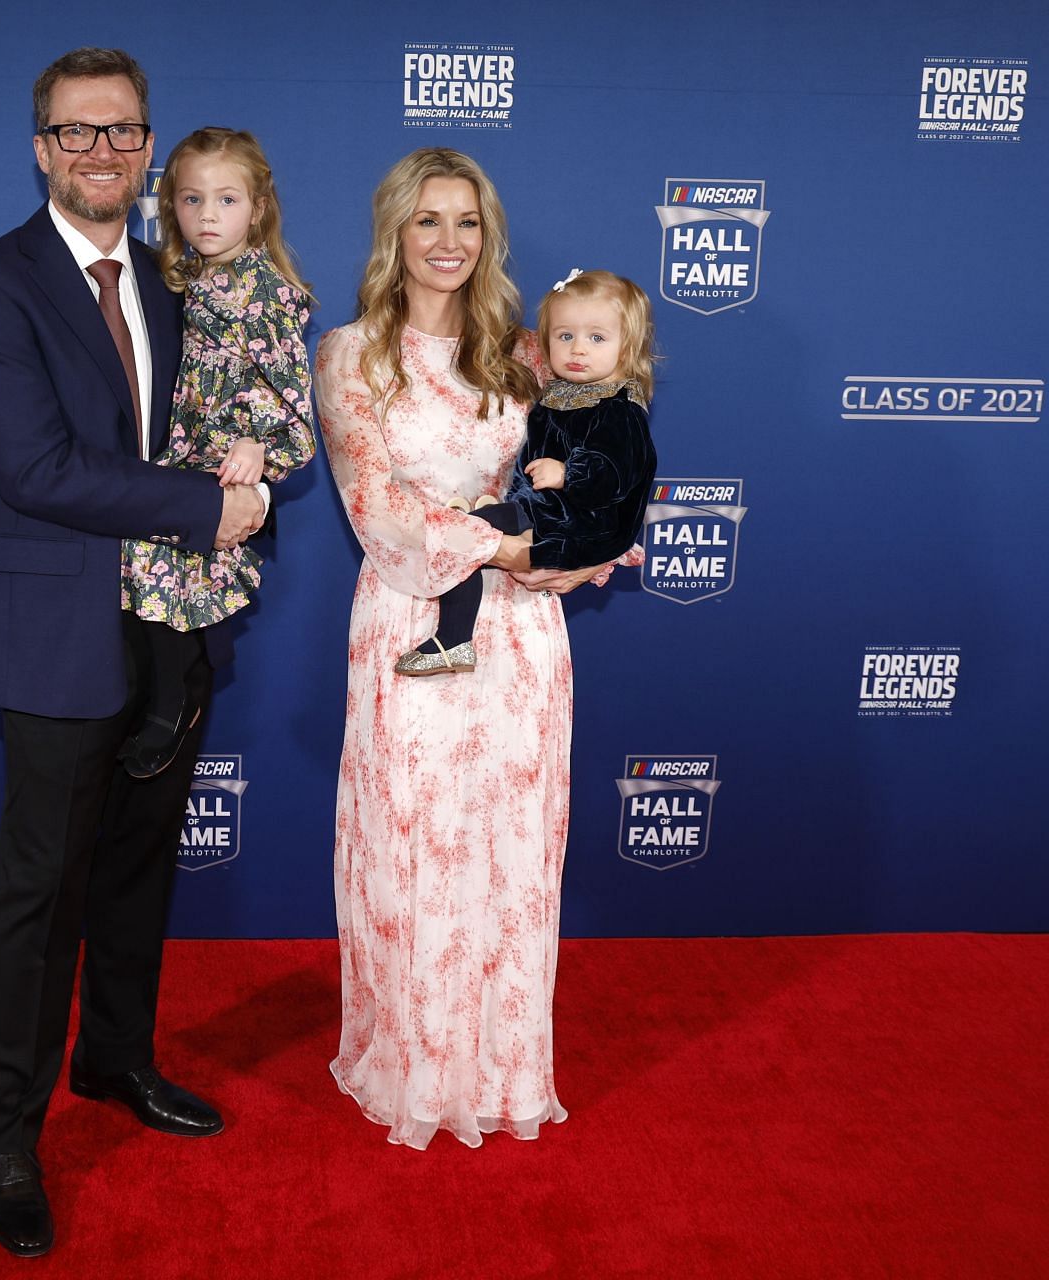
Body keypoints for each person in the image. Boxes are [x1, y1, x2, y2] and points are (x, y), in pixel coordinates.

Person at [0, 47, 266, 1258]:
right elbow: (31, 468)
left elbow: (238, 415)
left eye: (123, 133)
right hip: (58, 629)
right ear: (39, 147)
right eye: (76, 134)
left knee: (137, 866)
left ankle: (116, 1059)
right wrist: (205, 505)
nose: (101, 154)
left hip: (173, 627)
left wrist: (251, 475)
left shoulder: (186, 285)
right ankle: (7, 1139)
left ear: (150, 148)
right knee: (38, 891)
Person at [314, 148, 622, 1150]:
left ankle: (499, 1069)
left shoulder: (528, 357)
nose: (448, 242)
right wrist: (512, 545)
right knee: (413, 850)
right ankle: (410, 1064)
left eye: (467, 222)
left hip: (521, 636)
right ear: (395, 233)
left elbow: (597, 464)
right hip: (412, 620)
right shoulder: (351, 355)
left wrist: (585, 543)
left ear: (488, 236)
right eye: (427, 221)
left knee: (510, 855)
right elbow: (377, 507)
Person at [120, 127, 316, 775]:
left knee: (166, 574)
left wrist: (258, 446)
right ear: (169, 204)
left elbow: (291, 399)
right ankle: (184, 677)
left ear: (258, 207)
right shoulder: (185, 276)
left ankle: (173, 704)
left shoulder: (266, 294)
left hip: (219, 468)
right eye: (191, 199)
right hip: (175, 456)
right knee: (152, 583)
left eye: (227, 200)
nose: (208, 216)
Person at [396, 268, 657, 675]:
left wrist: (569, 472)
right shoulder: (560, 393)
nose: (578, 349)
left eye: (597, 338)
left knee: (468, 535)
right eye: (565, 336)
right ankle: (456, 640)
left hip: (580, 527)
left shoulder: (618, 409)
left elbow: (620, 474)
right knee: (467, 530)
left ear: (626, 349)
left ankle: (452, 640)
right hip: (540, 510)